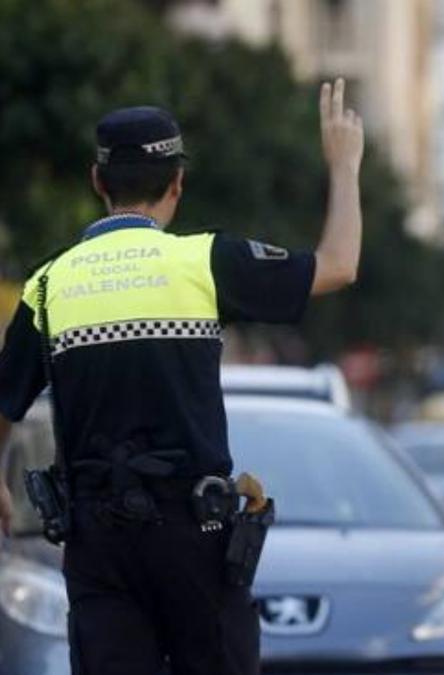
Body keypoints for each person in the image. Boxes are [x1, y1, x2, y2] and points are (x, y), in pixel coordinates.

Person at [0, 78, 364, 674]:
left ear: (98, 184)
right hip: (197, 535)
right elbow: (339, 265)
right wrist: (344, 166)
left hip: (98, 544)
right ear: (177, 184)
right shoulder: (204, 261)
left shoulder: (48, 283)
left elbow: (5, 401)